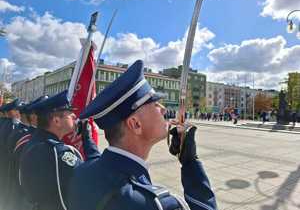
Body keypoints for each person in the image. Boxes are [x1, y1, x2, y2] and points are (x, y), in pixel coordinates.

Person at [68, 60, 217, 210]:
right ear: (136, 124)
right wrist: (191, 163)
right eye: (155, 104)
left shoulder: (82, 171)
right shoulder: (153, 205)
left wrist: (87, 137)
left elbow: (94, 157)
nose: (164, 109)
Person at [19, 90, 101, 210]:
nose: (74, 116)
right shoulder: (58, 153)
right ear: (56, 121)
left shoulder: (33, 142)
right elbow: (94, 176)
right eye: (69, 113)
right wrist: (88, 140)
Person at [0, 99, 22, 208]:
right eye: (16, 110)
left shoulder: (3, 122)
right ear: (10, 112)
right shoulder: (13, 125)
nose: (19, 112)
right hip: (7, 161)